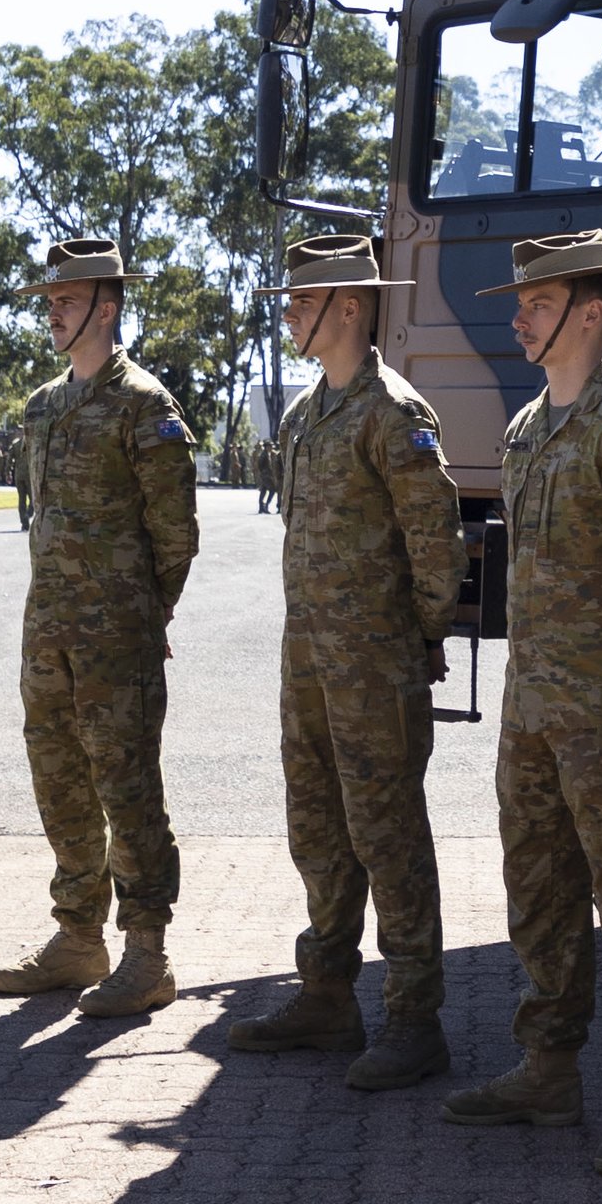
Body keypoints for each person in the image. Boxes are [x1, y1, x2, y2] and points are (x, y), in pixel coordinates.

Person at [440, 230, 602, 1178]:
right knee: (539, 895)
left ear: (589, 315)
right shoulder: (525, 430)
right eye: (520, 304)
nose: (518, 319)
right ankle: (548, 1071)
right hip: (533, 720)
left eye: (538, 305)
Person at [227, 233, 461, 1089]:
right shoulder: (303, 416)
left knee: (388, 837)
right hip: (308, 664)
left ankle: (414, 1020)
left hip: (374, 668)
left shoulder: (394, 414)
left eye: (302, 301)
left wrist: (414, 641)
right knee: (318, 829)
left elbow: (437, 550)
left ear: (349, 307)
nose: (290, 315)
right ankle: (327, 994)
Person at [0, 238, 199, 1016]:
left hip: (117, 639)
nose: (53, 313)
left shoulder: (145, 406)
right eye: (49, 301)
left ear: (106, 310)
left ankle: (148, 953)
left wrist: (146, 613)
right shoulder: (43, 404)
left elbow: (175, 534)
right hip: (47, 631)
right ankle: (79, 937)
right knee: (60, 782)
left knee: (128, 789)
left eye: (66, 302)